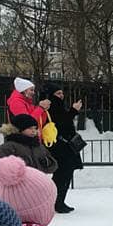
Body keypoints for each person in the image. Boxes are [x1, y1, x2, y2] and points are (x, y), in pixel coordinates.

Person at [45, 83, 85, 213]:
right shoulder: (52, 107)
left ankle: (58, 201)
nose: (61, 96)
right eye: (58, 93)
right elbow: (62, 123)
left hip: (64, 146)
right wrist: (73, 111)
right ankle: (57, 202)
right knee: (62, 175)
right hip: (61, 147)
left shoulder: (58, 106)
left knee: (62, 175)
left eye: (62, 93)